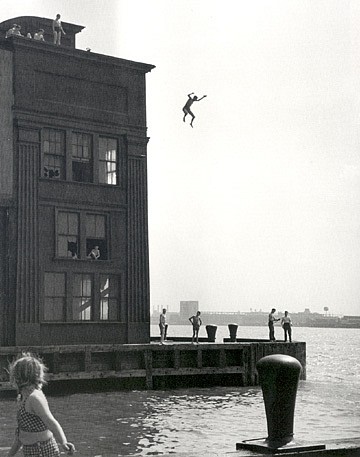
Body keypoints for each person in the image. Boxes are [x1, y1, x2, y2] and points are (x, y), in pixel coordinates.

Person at [7, 353, 75, 457]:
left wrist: (63, 442)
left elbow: (51, 422)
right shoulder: (22, 398)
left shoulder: (34, 398)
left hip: (43, 450)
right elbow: (21, 434)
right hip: (30, 451)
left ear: (18, 378)